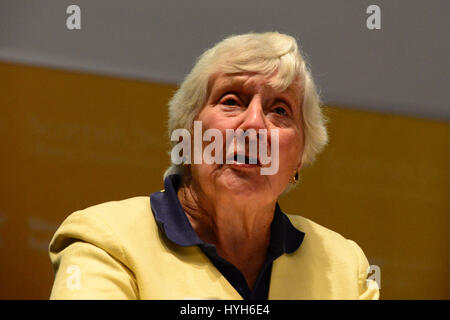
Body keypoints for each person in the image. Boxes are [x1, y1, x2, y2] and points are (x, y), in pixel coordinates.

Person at [48, 32, 379, 299]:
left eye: (280, 110)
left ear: (299, 159)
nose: (254, 125)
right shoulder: (106, 241)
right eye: (231, 101)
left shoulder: (343, 266)